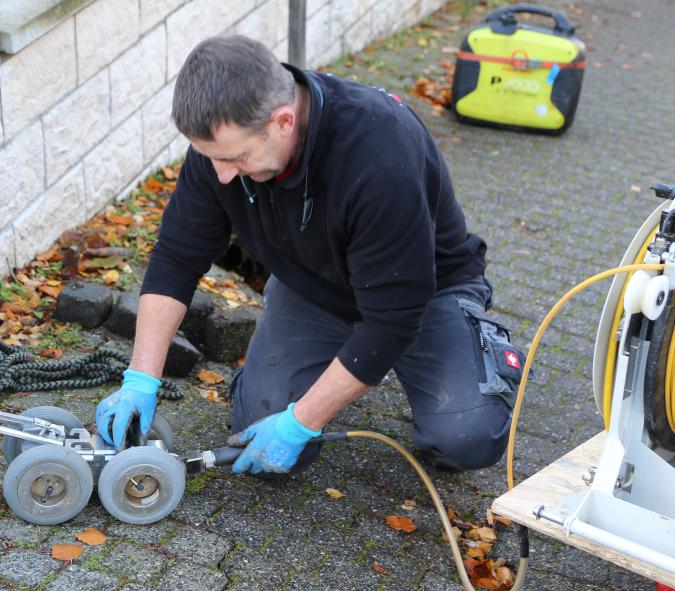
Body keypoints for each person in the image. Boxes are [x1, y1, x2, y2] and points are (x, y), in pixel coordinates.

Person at [95, 35, 524, 475]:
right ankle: (322, 375)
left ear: (283, 121)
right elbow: (176, 257)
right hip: (315, 287)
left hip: (425, 293)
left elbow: (392, 321)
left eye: (236, 158)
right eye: (212, 158)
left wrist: (302, 421)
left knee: (467, 439)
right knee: (258, 432)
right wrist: (141, 378)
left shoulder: (379, 153)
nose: (221, 175)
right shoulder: (223, 145)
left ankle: (468, 362)